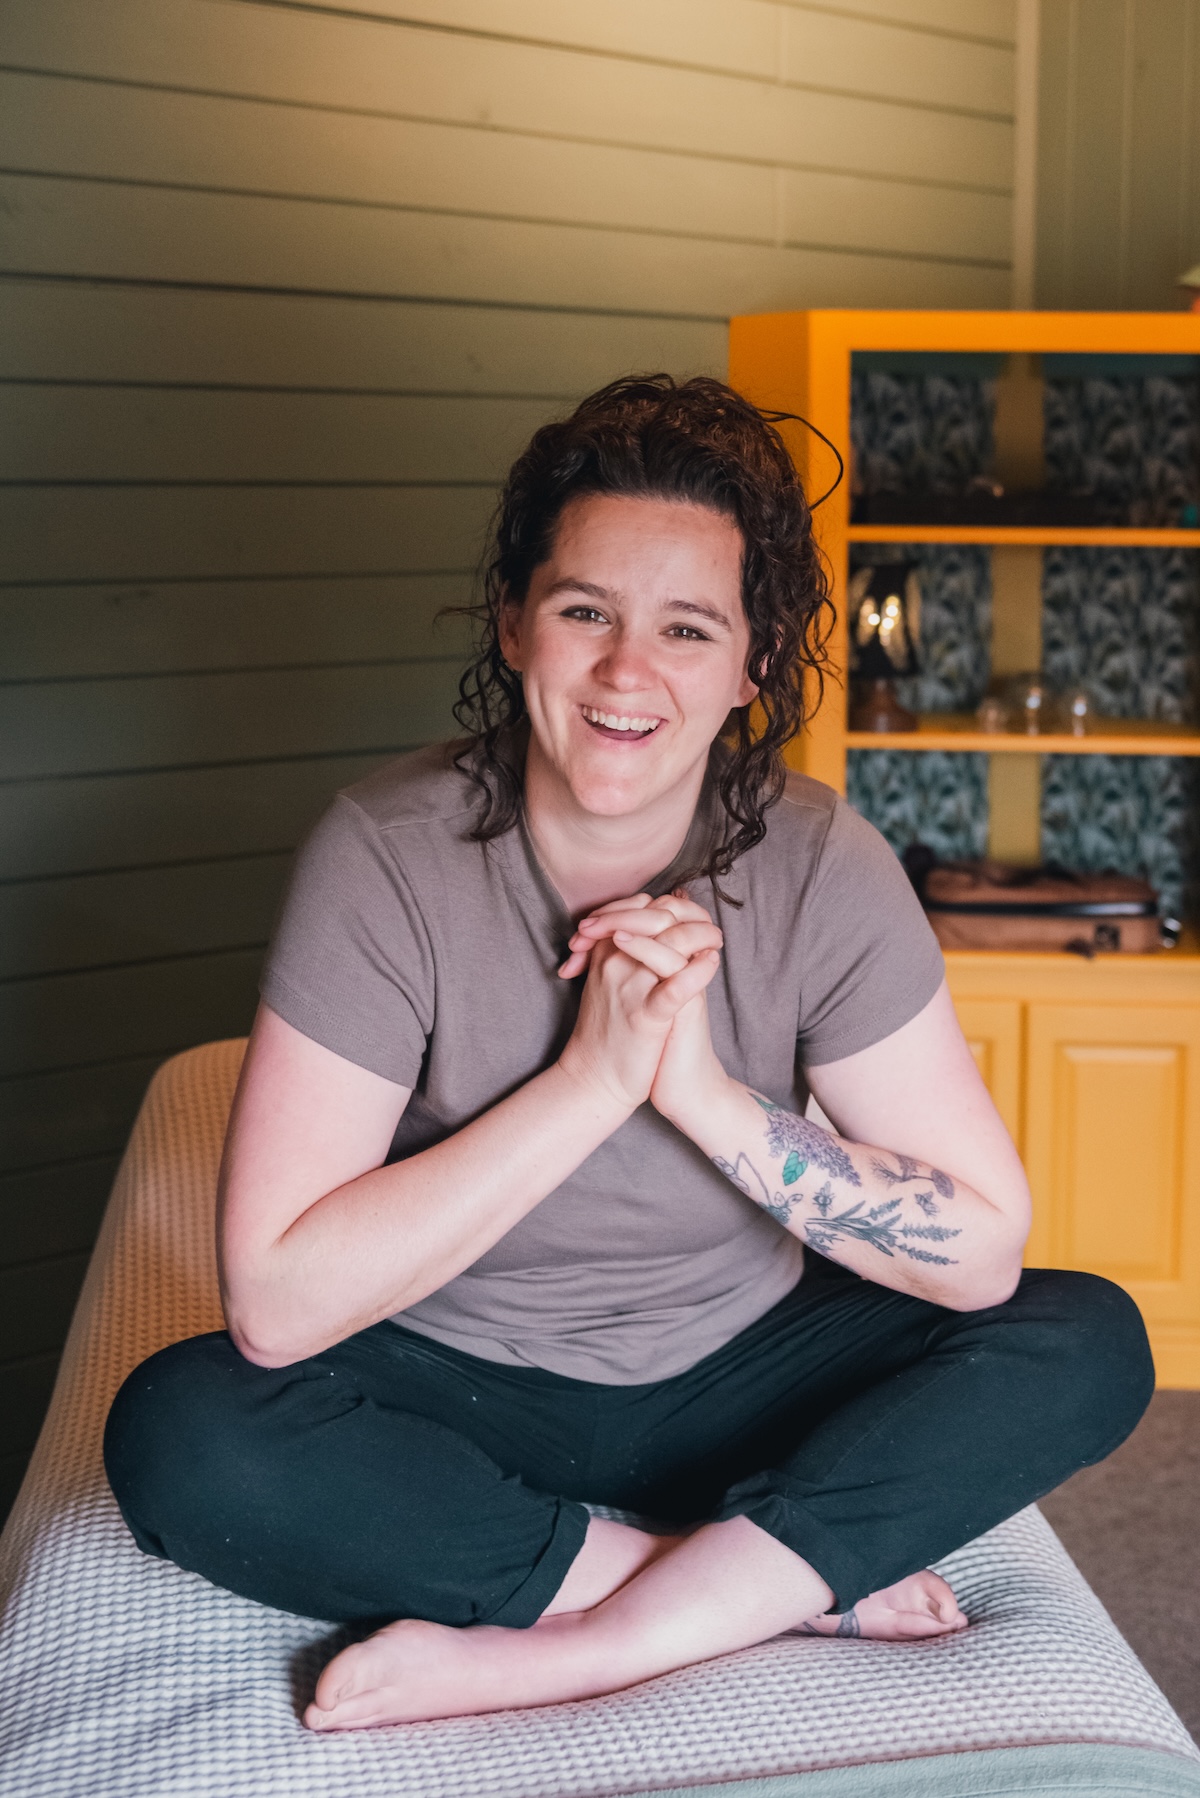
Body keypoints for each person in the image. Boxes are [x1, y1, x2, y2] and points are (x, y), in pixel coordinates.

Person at [104, 376, 1153, 1732]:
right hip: (460, 1369)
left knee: (1084, 1339)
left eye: (687, 626)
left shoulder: (825, 861)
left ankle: (579, 1641)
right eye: (585, 610)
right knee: (181, 1431)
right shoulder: (384, 853)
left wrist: (700, 1092)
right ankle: (754, 1579)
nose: (625, 671)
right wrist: (592, 1077)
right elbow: (280, 1302)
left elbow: (979, 1255)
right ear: (515, 622)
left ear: (749, 666)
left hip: (743, 1366)